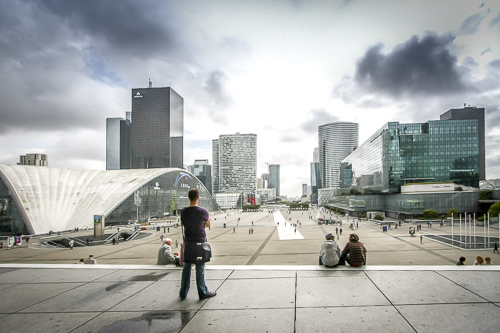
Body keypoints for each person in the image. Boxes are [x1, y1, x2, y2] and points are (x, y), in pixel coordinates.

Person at [179, 188, 216, 301]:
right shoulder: (203, 211)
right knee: (200, 267)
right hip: (200, 241)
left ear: (189, 197)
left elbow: (184, 224)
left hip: (188, 242)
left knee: (187, 267)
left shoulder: (183, 211)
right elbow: (208, 224)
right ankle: (202, 292)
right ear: (198, 198)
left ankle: (183, 293)